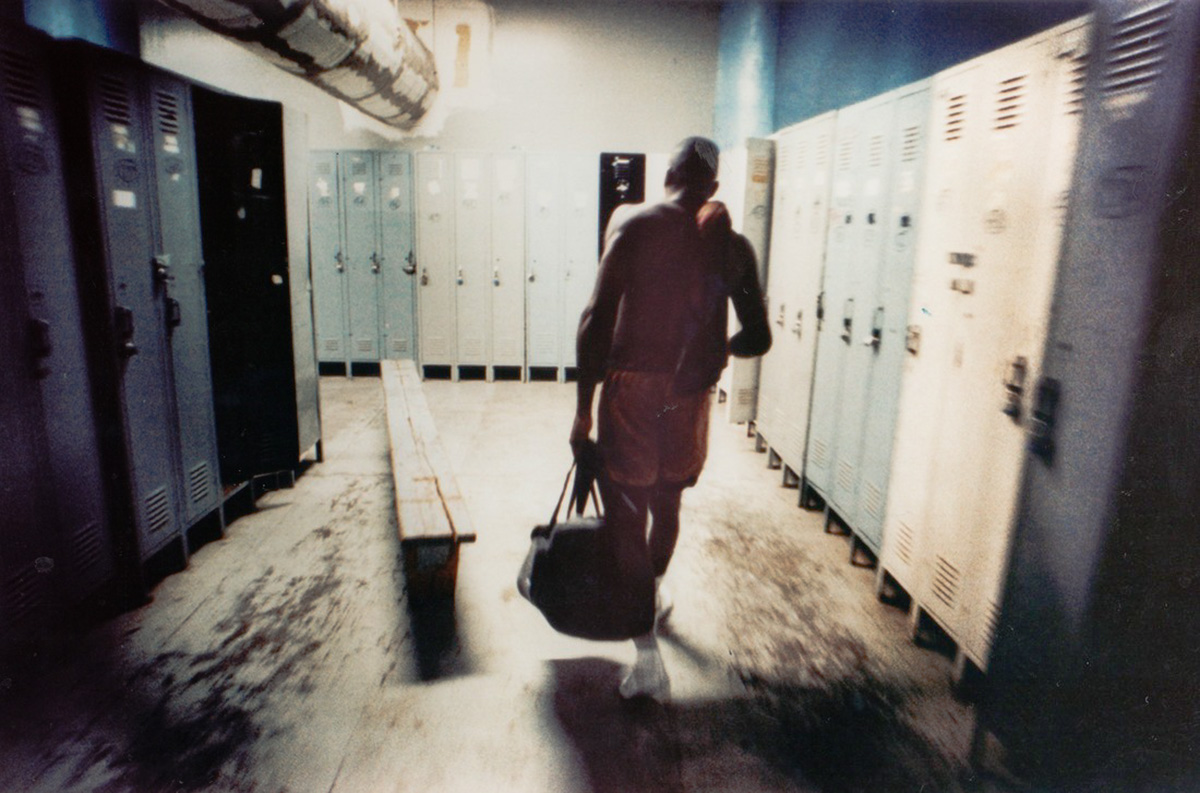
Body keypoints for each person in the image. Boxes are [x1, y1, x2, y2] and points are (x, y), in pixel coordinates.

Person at [570, 136, 771, 701]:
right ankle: (649, 596)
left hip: (634, 393)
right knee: (668, 505)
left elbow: (594, 320)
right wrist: (717, 348)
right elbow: (759, 336)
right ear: (712, 184)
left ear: (670, 175)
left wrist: (583, 412)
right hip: (689, 397)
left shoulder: (632, 224)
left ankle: (648, 653)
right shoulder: (734, 248)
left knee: (626, 518)